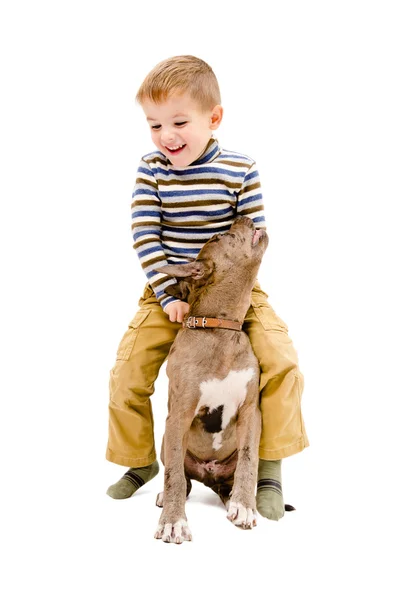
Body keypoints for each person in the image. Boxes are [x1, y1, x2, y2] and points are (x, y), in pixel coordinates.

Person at [105, 55, 308, 520]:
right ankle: (140, 460)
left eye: (179, 121)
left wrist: (236, 295)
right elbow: (145, 233)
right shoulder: (152, 168)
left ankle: (267, 467)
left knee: (281, 361)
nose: (166, 135)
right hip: (168, 290)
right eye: (154, 124)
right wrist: (168, 294)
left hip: (235, 292)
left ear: (214, 118)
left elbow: (253, 237)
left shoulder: (240, 167)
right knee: (128, 371)